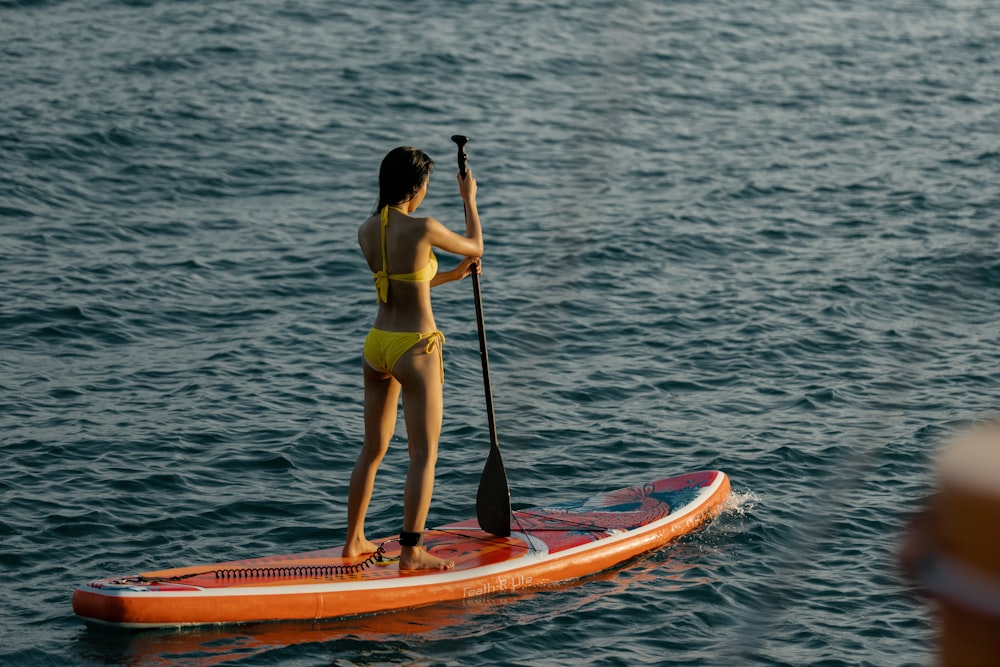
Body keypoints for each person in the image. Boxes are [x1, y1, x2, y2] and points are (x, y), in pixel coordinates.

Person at [343, 146, 483, 571]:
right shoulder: (424, 227)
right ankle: (411, 551)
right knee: (423, 455)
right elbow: (475, 246)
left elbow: (401, 284)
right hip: (416, 347)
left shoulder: (367, 229)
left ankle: (353, 541)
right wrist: (468, 199)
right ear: (417, 186)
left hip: (377, 345)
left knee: (372, 448)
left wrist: (451, 277)